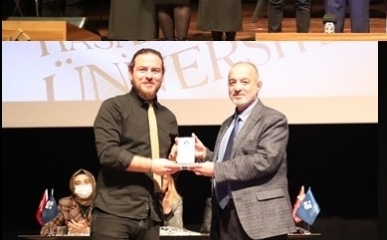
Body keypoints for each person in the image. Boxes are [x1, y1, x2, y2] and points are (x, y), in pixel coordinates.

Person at [186, 62, 295, 240]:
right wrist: (206, 154)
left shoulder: (273, 119)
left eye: (244, 82)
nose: (237, 88)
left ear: (258, 86)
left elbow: (265, 161)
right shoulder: (227, 124)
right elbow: (229, 162)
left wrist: (215, 169)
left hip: (261, 220)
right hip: (225, 218)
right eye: (232, 82)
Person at [92, 48, 182, 240]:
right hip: (114, 213)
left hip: (152, 216)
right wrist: (152, 165)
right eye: (142, 69)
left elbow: (167, 169)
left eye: (155, 70)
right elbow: (108, 153)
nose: (149, 76)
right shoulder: (113, 107)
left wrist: (176, 162)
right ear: (130, 73)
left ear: (162, 75)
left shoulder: (168, 118)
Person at [40, 169, 97, 235]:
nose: (83, 186)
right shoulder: (66, 203)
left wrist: (88, 230)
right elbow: (45, 230)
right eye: (77, 183)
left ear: (94, 184)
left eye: (87, 182)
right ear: (72, 187)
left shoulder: (102, 201)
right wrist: (69, 232)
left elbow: (107, 230)